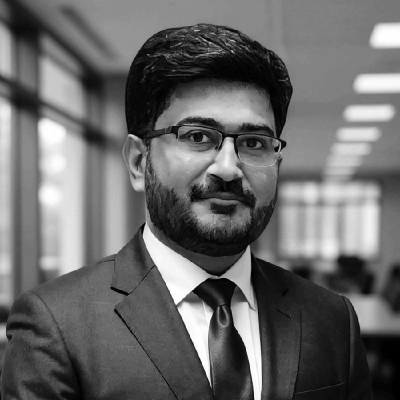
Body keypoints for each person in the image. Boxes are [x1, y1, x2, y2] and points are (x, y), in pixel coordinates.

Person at [1, 24, 372, 399]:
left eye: (254, 143)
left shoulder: (332, 319)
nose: (228, 169)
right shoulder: (56, 323)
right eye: (198, 136)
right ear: (138, 162)